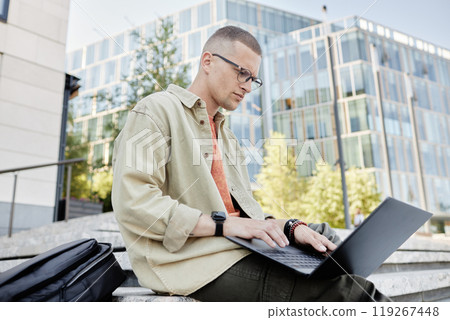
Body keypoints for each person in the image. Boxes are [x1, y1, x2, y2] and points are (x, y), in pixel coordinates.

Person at [112, 26, 389, 302]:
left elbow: (247, 217)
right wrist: (224, 226)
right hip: (195, 263)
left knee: (323, 239)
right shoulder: (156, 110)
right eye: (242, 72)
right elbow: (133, 202)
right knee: (354, 292)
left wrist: (291, 228)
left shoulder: (228, 137)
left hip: (238, 248)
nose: (247, 85)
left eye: (253, 79)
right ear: (207, 61)